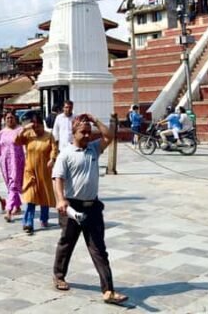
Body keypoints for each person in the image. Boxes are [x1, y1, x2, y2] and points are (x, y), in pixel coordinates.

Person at [52, 114, 127, 305]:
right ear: (73, 133)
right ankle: (59, 275)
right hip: (72, 207)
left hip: (92, 208)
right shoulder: (66, 154)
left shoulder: (94, 149)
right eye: (82, 132)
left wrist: (94, 120)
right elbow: (57, 178)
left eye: (88, 132)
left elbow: (109, 136)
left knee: (99, 249)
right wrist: (61, 200)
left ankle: (108, 290)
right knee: (66, 243)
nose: (87, 135)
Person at [15, 112, 57, 234]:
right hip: (30, 171)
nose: (36, 129)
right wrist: (24, 129)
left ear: (42, 125)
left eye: (39, 126)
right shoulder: (28, 135)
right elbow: (16, 141)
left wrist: (52, 159)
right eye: (34, 127)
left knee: (44, 195)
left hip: (44, 171)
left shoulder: (49, 136)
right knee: (30, 197)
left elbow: (54, 149)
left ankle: (44, 218)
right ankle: (28, 223)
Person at [0, 111, 25, 222]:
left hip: (17, 161)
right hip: (5, 162)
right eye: (7, 118)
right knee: (9, 184)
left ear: (15, 119)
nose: (10, 120)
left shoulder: (20, 130)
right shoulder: (1, 132)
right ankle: (18, 205)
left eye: (11, 118)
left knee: (13, 185)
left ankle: (8, 211)